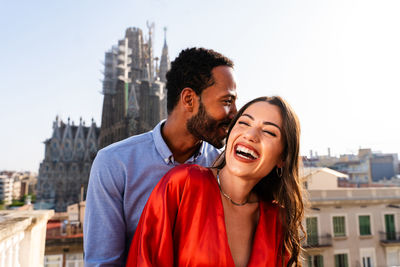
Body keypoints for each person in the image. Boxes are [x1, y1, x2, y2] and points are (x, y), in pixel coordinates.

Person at [84, 47, 237, 266]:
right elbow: (104, 262)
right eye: (226, 101)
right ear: (188, 99)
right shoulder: (115, 163)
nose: (234, 113)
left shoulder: (224, 167)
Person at [126, 96, 305, 267]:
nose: (250, 135)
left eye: (268, 131)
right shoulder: (183, 184)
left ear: (283, 158)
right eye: (243, 123)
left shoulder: (276, 220)